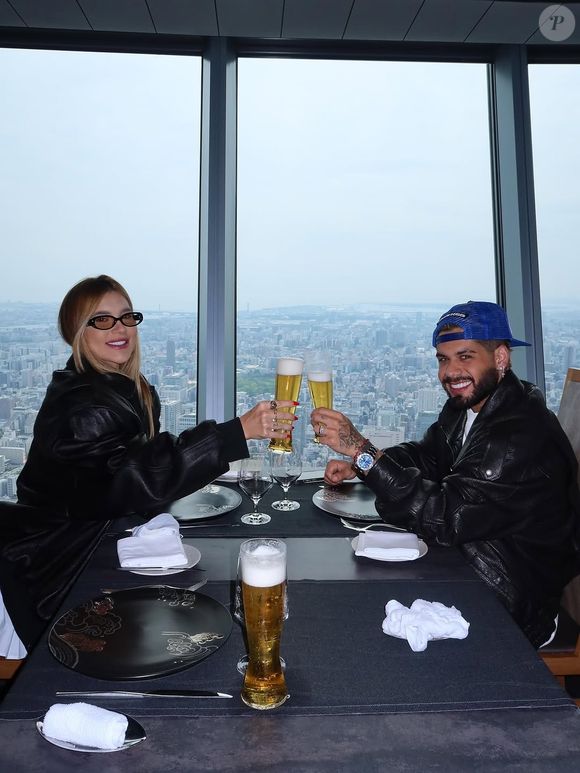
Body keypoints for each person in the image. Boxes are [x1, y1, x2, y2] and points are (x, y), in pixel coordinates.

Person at [0, 274, 296, 652]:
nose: (119, 328)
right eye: (101, 319)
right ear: (78, 332)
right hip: (58, 566)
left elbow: (138, 471)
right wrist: (237, 432)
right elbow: (133, 479)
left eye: (126, 317)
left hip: (95, 544)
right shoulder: (83, 407)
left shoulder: (121, 386)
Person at [311, 301, 580, 648]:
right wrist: (362, 465)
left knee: (351, 624)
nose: (450, 373)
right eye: (443, 359)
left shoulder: (515, 437)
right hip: (468, 563)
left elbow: (443, 517)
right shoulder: (469, 405)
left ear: (500, 358)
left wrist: (363, 453)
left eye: (465, 357)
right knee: (349, 597)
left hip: (512, 601)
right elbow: (427, 455)